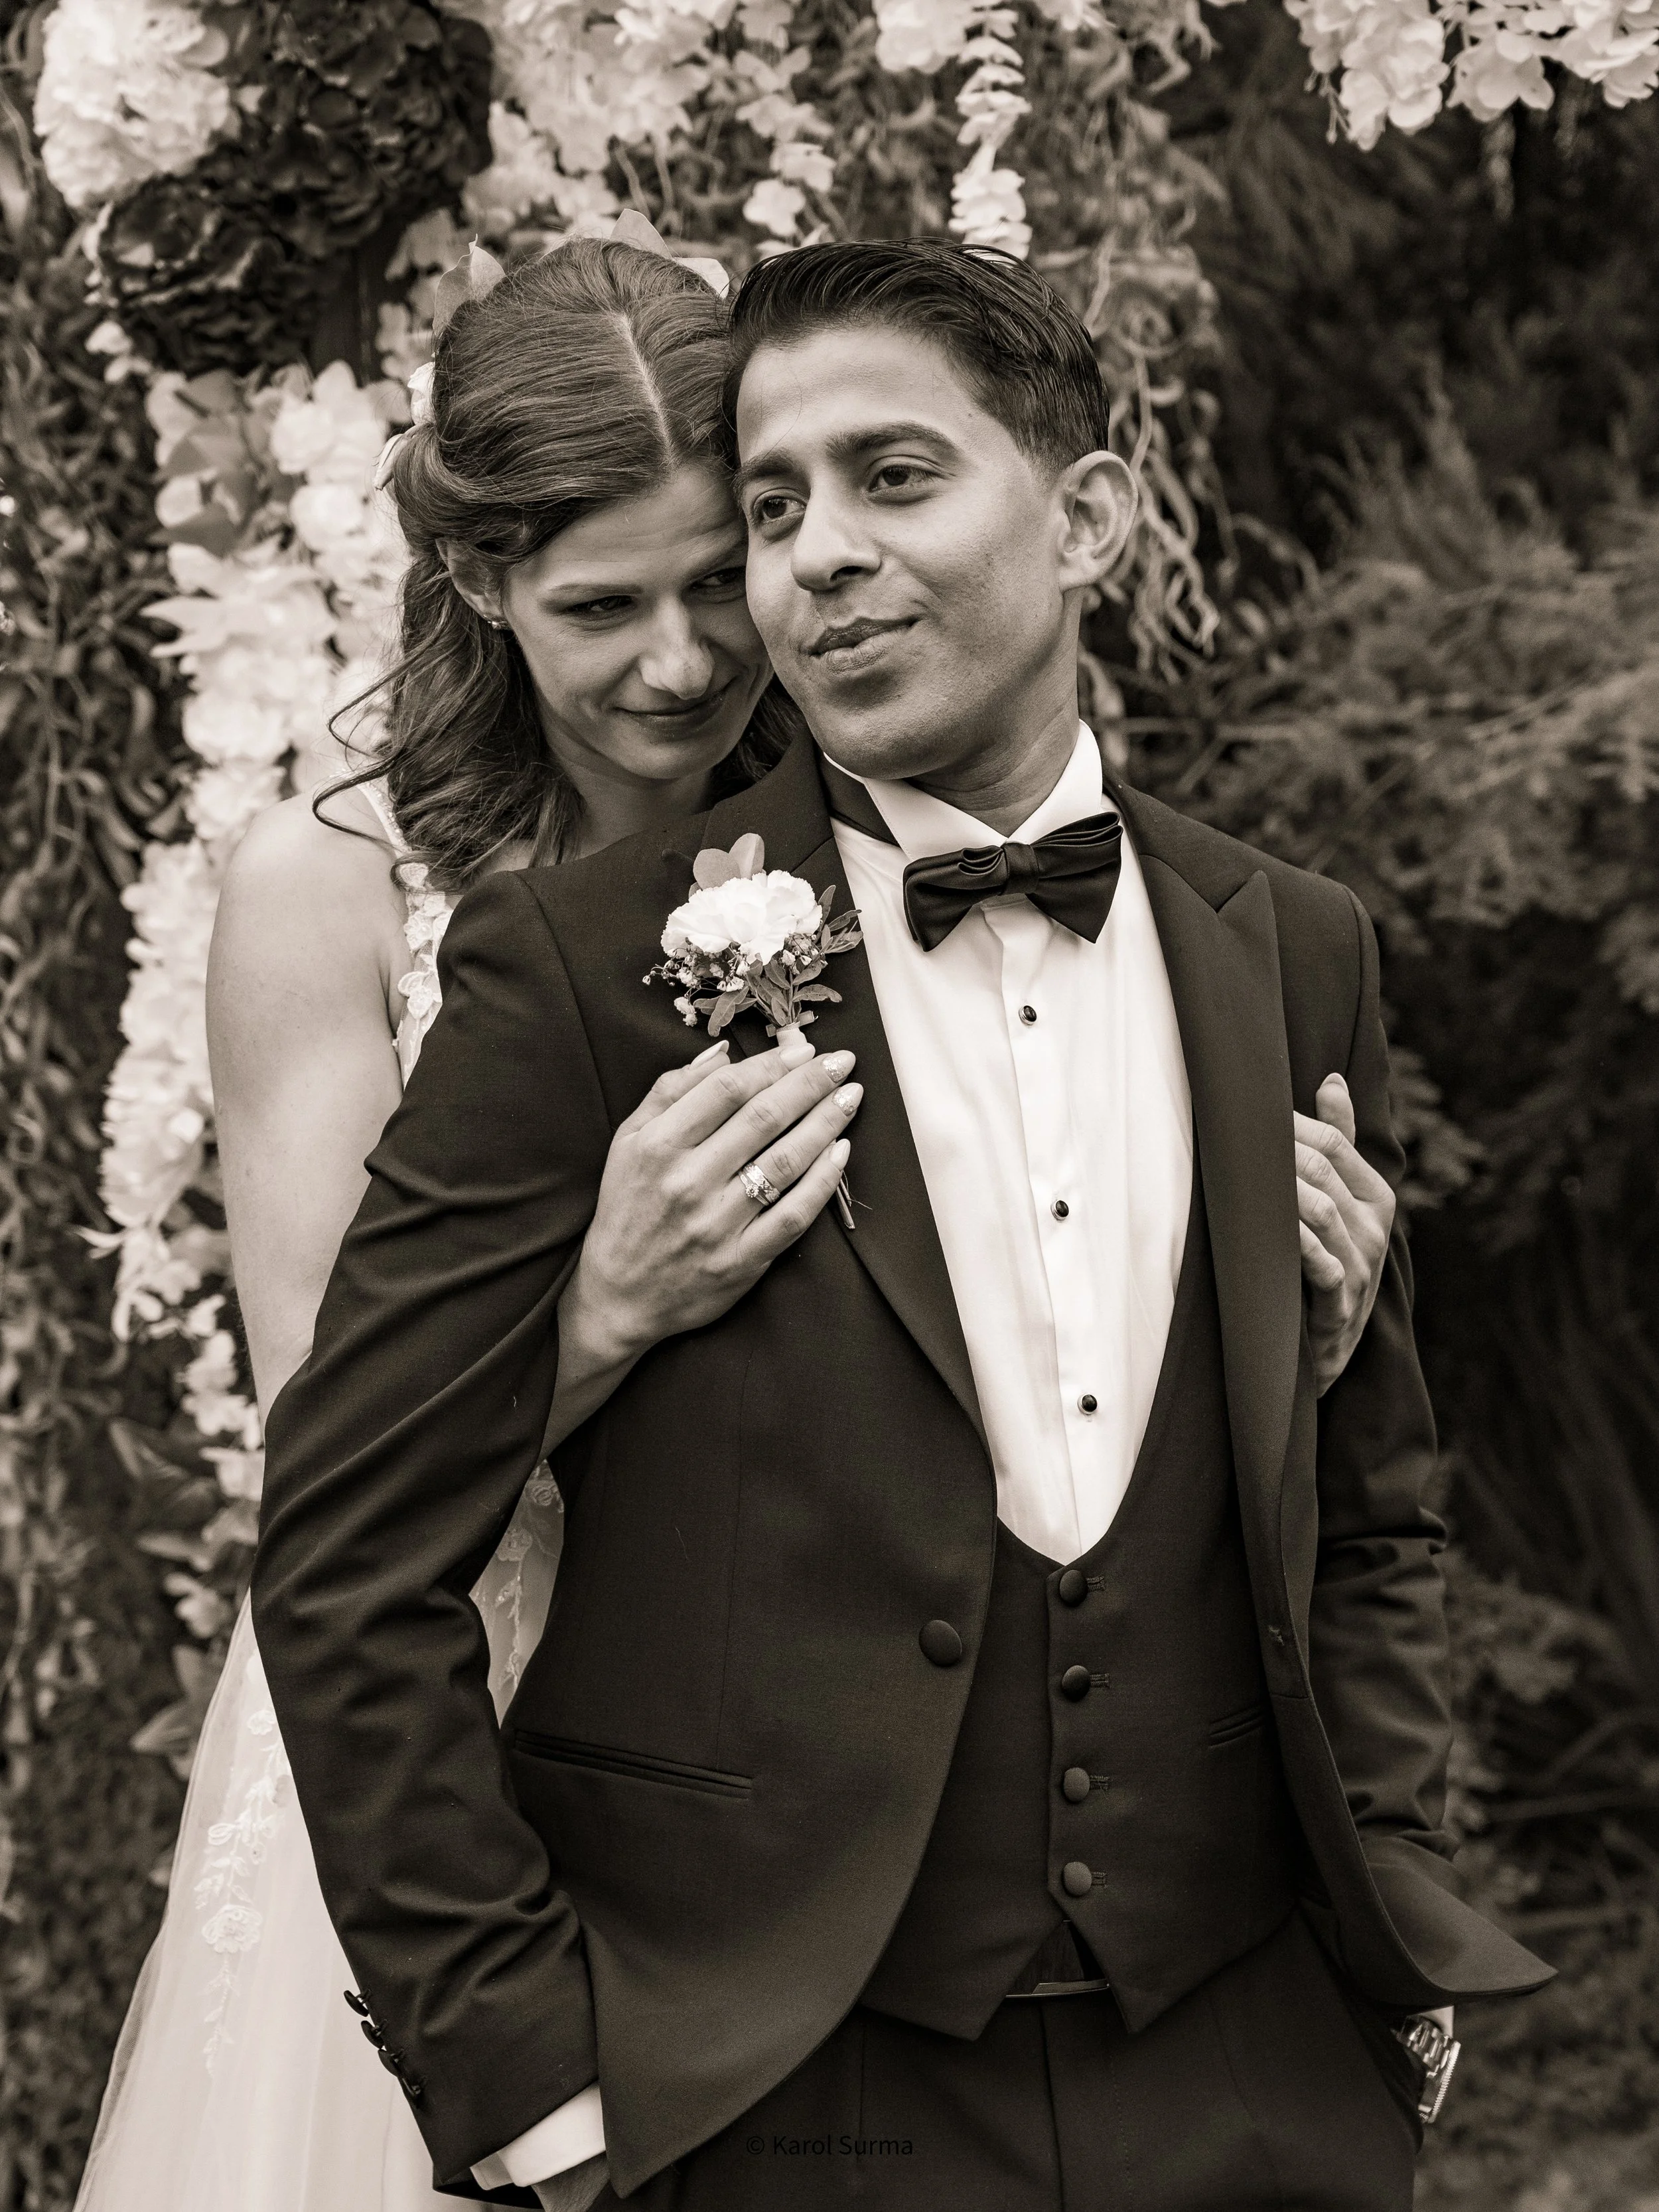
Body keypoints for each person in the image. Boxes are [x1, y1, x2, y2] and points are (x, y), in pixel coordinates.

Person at [77, 234, 1396, 2212]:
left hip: (873, 1823)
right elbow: (338, 1465)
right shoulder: (338, 894)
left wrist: (1282, 1303)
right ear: (477, 583)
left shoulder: (914, 812)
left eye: (725, 571)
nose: (687, 661)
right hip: (485, 1748)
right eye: (603, 606)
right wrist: (603, 1302)